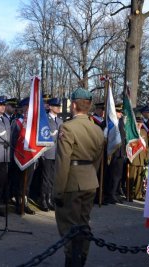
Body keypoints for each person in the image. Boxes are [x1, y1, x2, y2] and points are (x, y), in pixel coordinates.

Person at [54, 88, 104, 266]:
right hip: (90, 181)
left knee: (69, 227)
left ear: (74, 105)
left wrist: (58, 191)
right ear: (89, 106)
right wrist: (90, 175)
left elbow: (62, 162)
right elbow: (98, 160)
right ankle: (81, 258)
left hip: (72, 183)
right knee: (84, 224)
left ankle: (72, 261)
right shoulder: (97, 129)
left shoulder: (67, 127)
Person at [38, 98, 62, 212]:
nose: (58, 108)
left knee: (53, 178)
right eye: (56, 106)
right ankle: (43, 200)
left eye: (59, 106)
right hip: (47, 153)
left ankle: (50, 199)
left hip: (56, 153)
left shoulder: (60, 121)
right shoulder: (45, 120)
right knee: (46, 178)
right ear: (50, 107)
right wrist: (41, 154)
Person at [104, 104, 126, 204]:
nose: (121, 114)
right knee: (111, 175)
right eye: (119, 112)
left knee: (118, 175)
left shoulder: (121, 122)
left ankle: (115, 193)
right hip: (113, 152)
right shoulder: (110, 122)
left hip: (121, 152)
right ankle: (110, 194)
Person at [127, 115, 149, 201]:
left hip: (142, 158)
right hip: (134, 158)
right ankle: (129, 194)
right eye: (138, 122)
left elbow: (146, 146)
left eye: (141, 123)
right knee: (131, 177)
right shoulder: (131, 132)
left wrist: (147, 157)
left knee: (140, 177)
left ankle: (138, 194)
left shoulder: (144, 132)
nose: (139, 124)